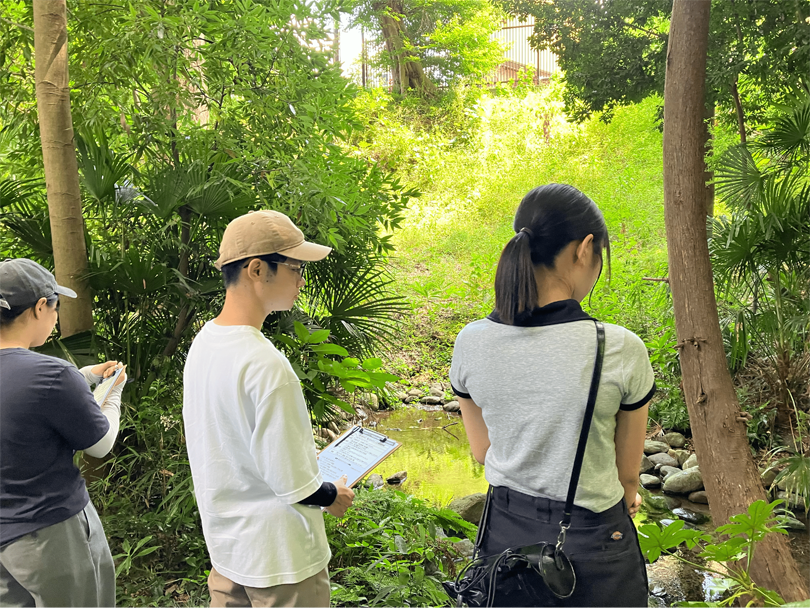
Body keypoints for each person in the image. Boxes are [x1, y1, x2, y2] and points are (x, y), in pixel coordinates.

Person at [450, 184, 655, 607]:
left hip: (505, 534)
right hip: (593, 544)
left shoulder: (471, 341)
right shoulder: (616, 347)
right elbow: (627, 476)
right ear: (584, 249)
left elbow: (481, 450)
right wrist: (630, 496)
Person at [183, 210, 355, 608]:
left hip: (228, 551)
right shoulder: (265, 364)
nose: (301, 280)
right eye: (296, 268)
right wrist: (333, 494)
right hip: (283, 562)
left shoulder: (204, 343)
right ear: (257, 270)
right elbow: (295, 483)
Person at [0, 258, 127, 608]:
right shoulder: (52, 374)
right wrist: (113, 393)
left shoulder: (52, 376)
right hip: (52, 532)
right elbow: (100, 445)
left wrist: (81, 375)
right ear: (40, 307)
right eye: (55, 305)